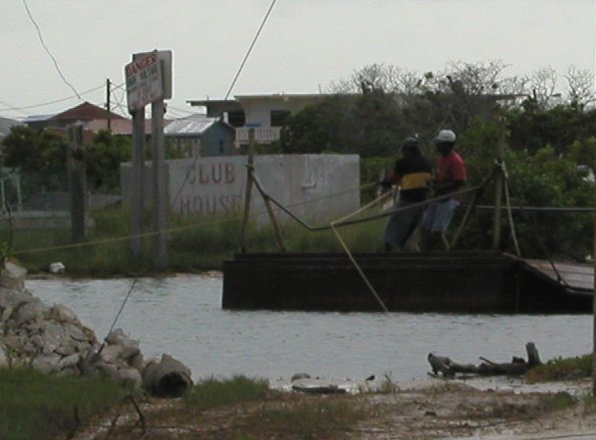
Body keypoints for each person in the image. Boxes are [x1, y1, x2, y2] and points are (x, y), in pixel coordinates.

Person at [381, 136, 433, 252]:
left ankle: (385, 258)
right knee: (409, 235)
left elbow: (391, 179)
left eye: (404, 150)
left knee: (391, 233)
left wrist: (384, 184)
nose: (403, 153)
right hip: (423, 204)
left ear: (408, 150)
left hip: (407, 203)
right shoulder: (427, 163)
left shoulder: (403, 163)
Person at [420, 129, 467, 251]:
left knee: (438, 230)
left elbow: (460, 181)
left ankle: (429, 253)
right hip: (439, 196)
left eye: (439, 143)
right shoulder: (440, 159)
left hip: (450, 198)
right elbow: (440, 177)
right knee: (425, 225)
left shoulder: (456, 160)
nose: (437, 146)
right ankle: (429, 250)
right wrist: (434, 183)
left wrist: (441, 187)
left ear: (447, 145)